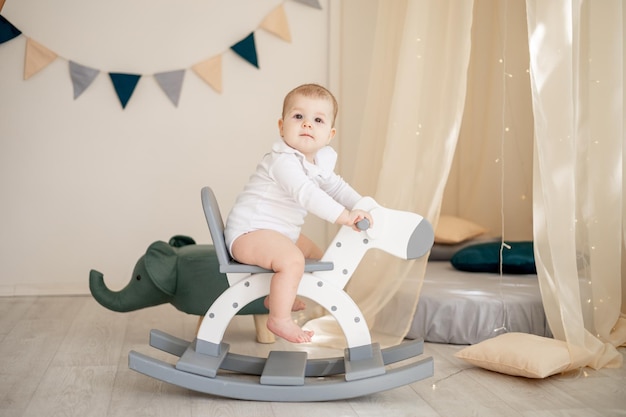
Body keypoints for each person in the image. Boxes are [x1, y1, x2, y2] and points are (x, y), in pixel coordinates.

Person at [224, 83, 373, 343]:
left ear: (330, 133)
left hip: (277, 233)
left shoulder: (316, 162)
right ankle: (279, 319)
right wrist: (344, 217)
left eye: (317, 120)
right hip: (249, 232)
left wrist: (364, 205)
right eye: (298, 117)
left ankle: (277, 297)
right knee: (293, 261)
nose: (307, 125)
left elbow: (337, 186)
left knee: (318, 255)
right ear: (282, 127)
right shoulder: (283, 161)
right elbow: (307, 194)